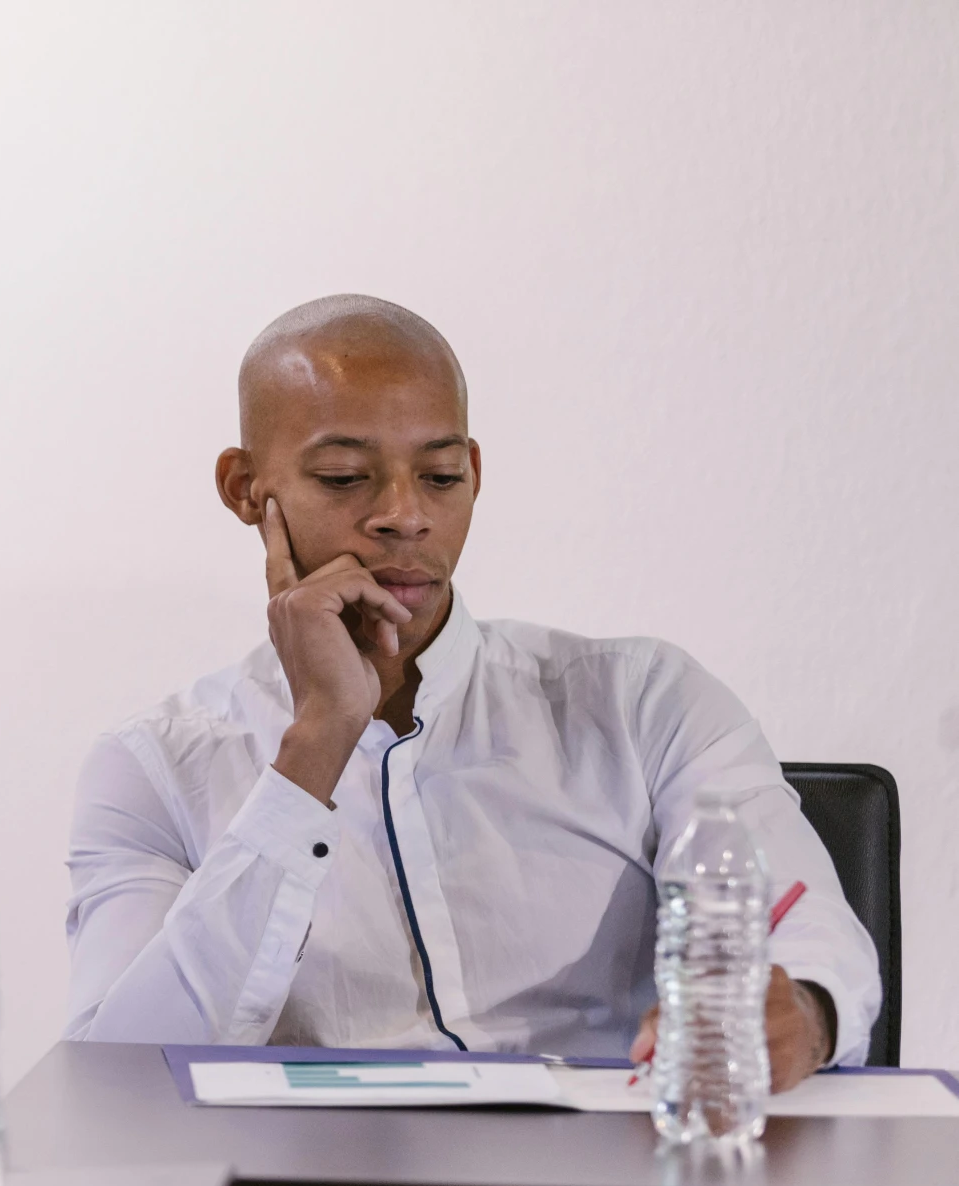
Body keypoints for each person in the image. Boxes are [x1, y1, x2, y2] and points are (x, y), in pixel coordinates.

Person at [63, 294, 879, 1088]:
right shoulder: (153, 767)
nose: (404, 515)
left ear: (475, 472)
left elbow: (805, 932)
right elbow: (119, 1078)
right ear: (246, 488)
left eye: (441, 475)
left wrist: (799, 1011)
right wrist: (316, 745)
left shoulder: (645, 702)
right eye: (345, 477)